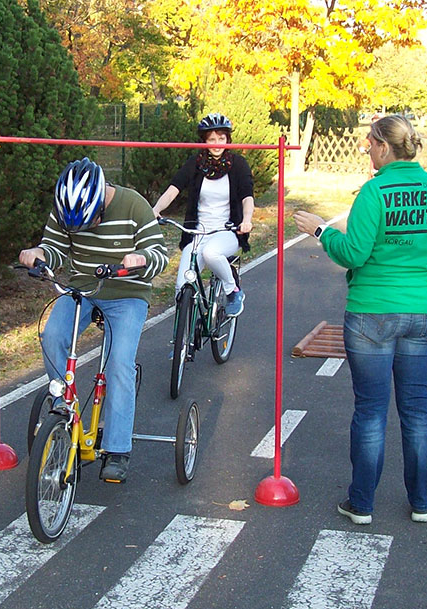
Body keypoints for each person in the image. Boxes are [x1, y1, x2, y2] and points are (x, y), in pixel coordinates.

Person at [294, 114, 427, 525]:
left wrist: (321, 232)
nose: (366, 149)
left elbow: (353, 253)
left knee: (371, 410)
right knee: (417, 408)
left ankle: (362, 503)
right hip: (425, 309)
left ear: (384, 147)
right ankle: (422, 502)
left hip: (372, 310)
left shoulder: (375, 192)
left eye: (369, 143)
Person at [19, 158, 168, 484]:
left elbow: (161, 254)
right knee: (53, 335)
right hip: (82, 289)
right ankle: (63, 413)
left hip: (127, 293)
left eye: (91, 222)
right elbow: (54, 249)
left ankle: (117, 450)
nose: (84, 231)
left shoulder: (133, 205)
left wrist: (142, 258)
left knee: (118, 363)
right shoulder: (65, 208)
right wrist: (39, 255)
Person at [152, 113, 255, 317]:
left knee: (211, 253)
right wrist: (155, 210)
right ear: (204, 142)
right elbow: (174, 188)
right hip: (197, 232)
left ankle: (232, 290)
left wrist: (246, 220)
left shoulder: (238, 164)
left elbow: (247, 197)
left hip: (227, 231)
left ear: (228, 139)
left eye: (221, 138)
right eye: (211, 139)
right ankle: (182, 344)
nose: (217, 144)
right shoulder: (196, 163)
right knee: (181, 288)